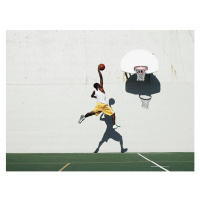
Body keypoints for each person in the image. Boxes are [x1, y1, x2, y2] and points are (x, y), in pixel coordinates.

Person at [78, 65, 120, 129]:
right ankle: (114, 125)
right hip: (103, 104)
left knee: (92, 113)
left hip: (98, 105)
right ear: (98, 85)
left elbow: (91, 96)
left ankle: (84, 116)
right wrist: (98, 71)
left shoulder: (95, 91)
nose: (100, 84)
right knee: (113, 113)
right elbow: (101, 78)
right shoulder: (101, 88)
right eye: (99, 84)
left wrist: (95, 97)